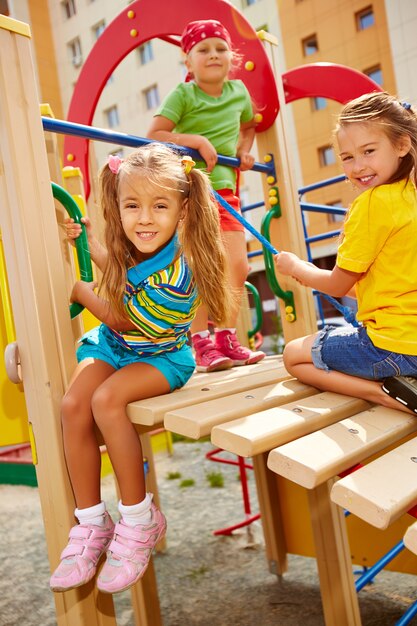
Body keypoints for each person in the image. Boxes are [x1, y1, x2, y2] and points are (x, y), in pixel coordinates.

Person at [50, 143, 232, 594]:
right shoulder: (136, 246)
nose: (144, 218)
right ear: (118, 206)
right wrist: (86, 245)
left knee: (106, 401)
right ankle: (91, 523)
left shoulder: (179, 272)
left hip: (162, 357)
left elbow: (121, 316)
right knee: (74, 405)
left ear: (183, 211)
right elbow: (120, 275)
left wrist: (78, 289)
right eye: (133, 205)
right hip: (118, 347)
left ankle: (138, 519)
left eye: (159, 206)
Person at [274, 91, 417, 414]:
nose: (358, 166)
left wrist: (297, 267)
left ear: (401, 145)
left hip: (391, 347)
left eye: (368, 151)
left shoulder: (371, 204)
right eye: (347, 157)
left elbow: (338, 286)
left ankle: (385, 393)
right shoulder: (410, 195)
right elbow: (363, 285)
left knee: (293, 354)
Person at [147, 19, 265, 372]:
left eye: (220, 48)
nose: (213, 55)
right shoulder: (185, 95)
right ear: (188, 61)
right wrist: (195, 141)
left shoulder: (239, 93)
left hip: (226, 190)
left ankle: (227, 338)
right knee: (198, 266)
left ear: (231, 57)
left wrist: (244, 151)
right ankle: (201, 344)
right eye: (203, 50)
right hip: (192, 190)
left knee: (238, 265)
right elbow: (156, 132)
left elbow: (249, 124)